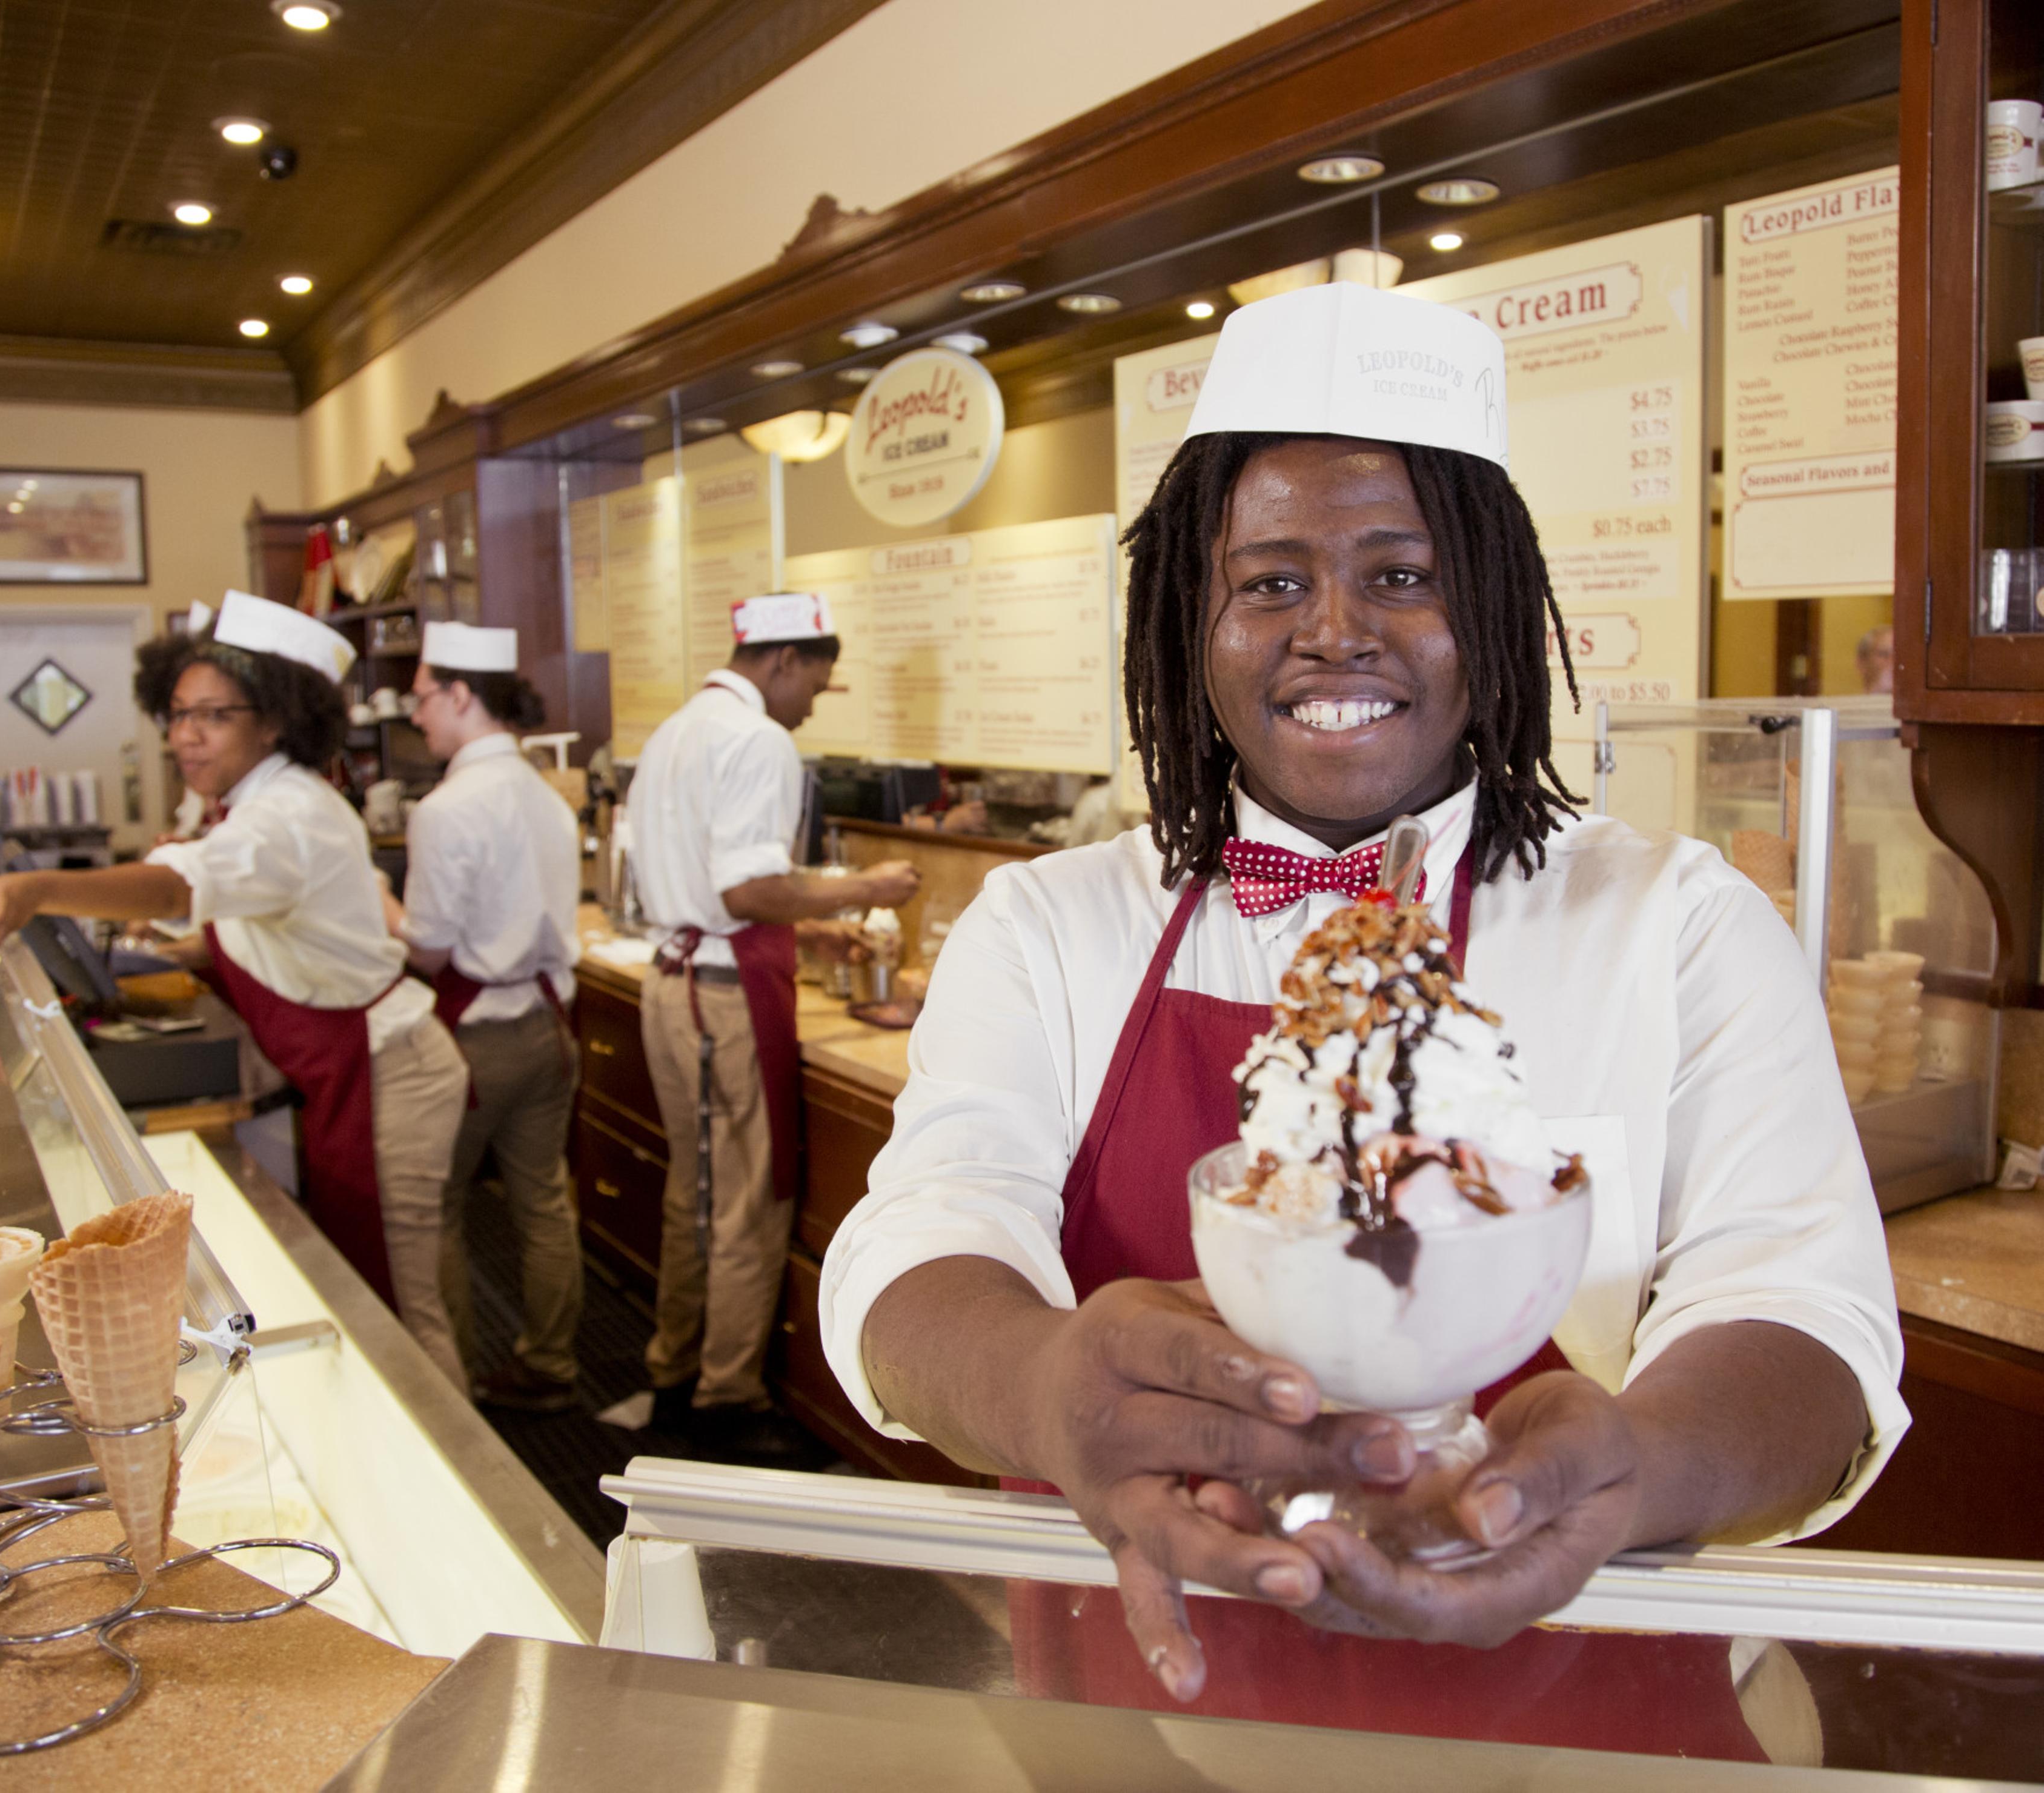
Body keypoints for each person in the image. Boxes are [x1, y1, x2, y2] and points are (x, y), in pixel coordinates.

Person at [820, 284, 1905, 1752]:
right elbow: (922, 1236)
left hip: (1575, 1728)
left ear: (1493, 610)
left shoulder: (1676, 920)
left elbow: (1806, 1315)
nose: (1333, 631)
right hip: (1144, 1719)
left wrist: (1628, 1466)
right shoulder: (1052, 926)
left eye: (1401, 574)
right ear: (1186, 624)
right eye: (1268, 581)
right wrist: (1033, 1382)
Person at [0, 590, 473, 1388]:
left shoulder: (285, 814)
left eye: (214, 715)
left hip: (387, 1073)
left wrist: (35, 889)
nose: (185, 734)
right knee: (388, 1285)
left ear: (275, 720)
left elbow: (173, 890)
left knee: (396, 1305)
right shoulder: (254, 805)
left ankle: (460, 1476)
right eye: (178, 712)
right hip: (351, 1068)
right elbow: (241, 921)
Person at [629, 591, 920, 1463]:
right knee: (750, 1199)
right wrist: (863, 889)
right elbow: (746, 890)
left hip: (674, 980)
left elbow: (715, 883)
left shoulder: (678, 728)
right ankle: (729, 1398)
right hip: (719, 992)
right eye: (817, 686)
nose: (810, 704)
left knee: (698, 1189)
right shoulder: (758, 738)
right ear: (783, 661)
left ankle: (675, 1368)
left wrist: (809, 924)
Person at [387, 620, 586, 1412]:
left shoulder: (445, 808)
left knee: (435, 1206)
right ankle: (552, 1364)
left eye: (426, 696)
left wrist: (384, 909)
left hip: (471, 1041)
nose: (417, 714)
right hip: (547, 1025)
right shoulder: (548, 797)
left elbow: (430, 952)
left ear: (463, 694)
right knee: (543, 1197)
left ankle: (452, 1380)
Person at [1856, 624, 1894, 694]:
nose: (1893, 662)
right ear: (1862, 663)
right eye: (1884, 654)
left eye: (1898, 656)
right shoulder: (1846, 703)